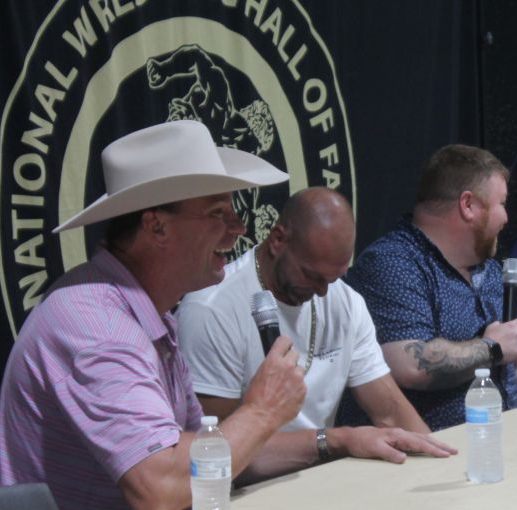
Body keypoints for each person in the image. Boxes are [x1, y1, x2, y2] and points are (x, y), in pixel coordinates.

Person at [0, 120, 308, 510]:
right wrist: (263, 410)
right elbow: (160, 487)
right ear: (157, 226)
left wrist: (336, 441)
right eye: (217, 211)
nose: (239, 227)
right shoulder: (96, 326)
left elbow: (207, 452)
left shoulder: (143, 313)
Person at [176, 187, 455, 471]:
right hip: (242, 494)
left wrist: (442, 470)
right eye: (311, 275)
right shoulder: (211, 310)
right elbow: (215, 451)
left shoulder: (346, 302)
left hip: (318, 477)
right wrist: (336, 440)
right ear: (278, 240)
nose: (322, 292)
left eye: (332, 278)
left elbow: (391, 413)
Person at [341, 144, 517, 432]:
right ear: (468, 206)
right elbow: (409, 365)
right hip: (431, 455)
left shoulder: (491, 271)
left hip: (506, 442)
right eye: (502, 204)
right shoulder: (393, 263)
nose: (506, 218)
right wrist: (490, 348)